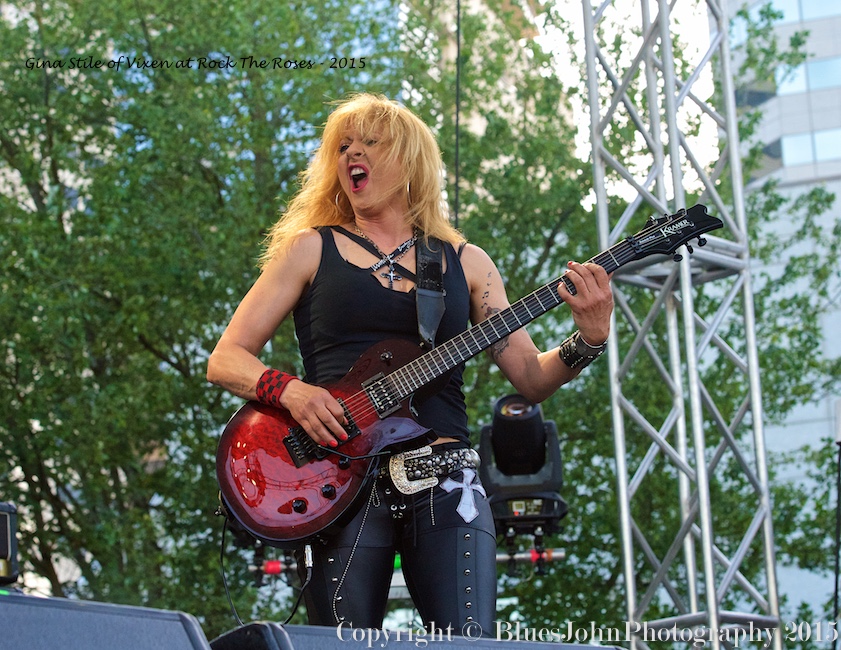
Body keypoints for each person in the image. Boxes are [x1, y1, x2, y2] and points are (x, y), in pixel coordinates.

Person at [206, 93, 613, 633]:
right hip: (339, 479)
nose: (353, 152)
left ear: (409, 159)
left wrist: (589, 337)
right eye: (344, 145)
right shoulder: (309, 249)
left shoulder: (466, 263)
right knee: (342, 648)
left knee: (471, 644)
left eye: (370, 142)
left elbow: (532, 378)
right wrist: (294, 392)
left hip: (447, 479)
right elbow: (226, 358)